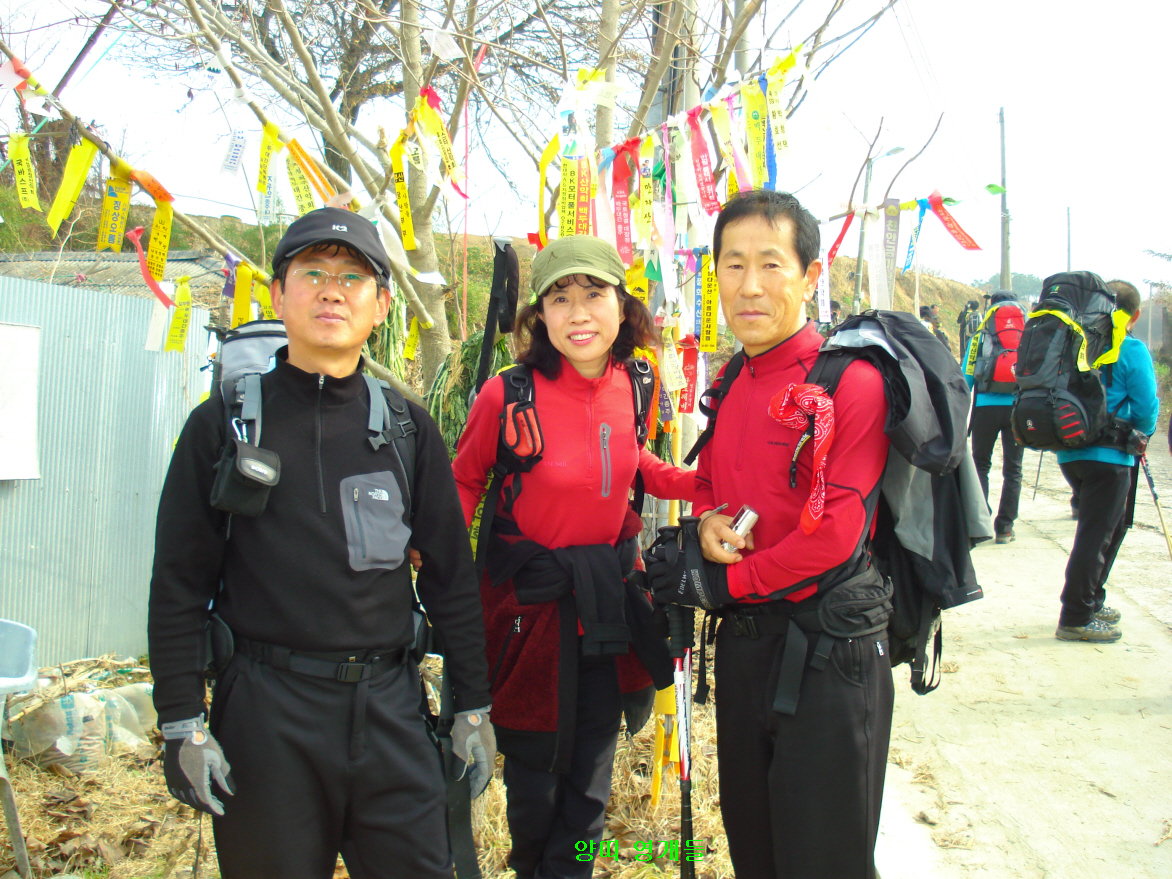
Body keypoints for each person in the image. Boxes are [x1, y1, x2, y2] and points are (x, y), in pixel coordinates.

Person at [148, 207, 493, 878]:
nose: (331, 290)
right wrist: (181, 723)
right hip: (267, 714)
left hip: (390, 707)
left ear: (382, 304)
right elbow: (178, 584)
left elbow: (450, 576)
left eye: (352, 277)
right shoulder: (223, 425)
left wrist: (473, 707)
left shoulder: (406, 430)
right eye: (312, 273)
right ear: (279, 293)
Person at [652, 190, 893, 878]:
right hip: (747, 646)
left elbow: (834, 536)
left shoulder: (851, 382)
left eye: (770, 264)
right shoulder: (736, 379)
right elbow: (716, 491)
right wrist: (697, 522)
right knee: (754, 850)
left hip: (829, 657)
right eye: (732, 265)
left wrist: (726, 581)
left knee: (823, 862)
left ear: (810, 276)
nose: (749, 286)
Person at [452, 235, 692, 879]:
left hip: (606, 608)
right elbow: (464, 482)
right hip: (530, 613)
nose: (578, 313)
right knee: (534, 787)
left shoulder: (637, 382)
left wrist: (695, 483)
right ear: (539, 315)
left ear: (623, 307)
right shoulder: (507, 396)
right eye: (560, 299)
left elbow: (630, 460)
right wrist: (433, 561)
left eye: (593, 295)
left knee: (590, 783)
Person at [1054, 280, 1159, 642]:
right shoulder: (1131, 348)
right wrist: (1143, 434)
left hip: (1069, 452)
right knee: (1097, 535)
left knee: (1103, 530)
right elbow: (1146, 408)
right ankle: (1076, 616)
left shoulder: (1075, 342)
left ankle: (1091, 599)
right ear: (1136, 314)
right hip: (1110, 455)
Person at [964, 289, 1025, 543]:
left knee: (980, 464)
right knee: (1014, 468)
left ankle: (981, 522)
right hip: (1017, 408)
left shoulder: (980, 335)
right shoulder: (1028, 335)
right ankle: (1006, 527)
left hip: (985, 407)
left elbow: (966, 374)